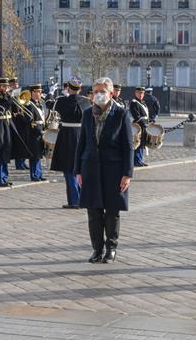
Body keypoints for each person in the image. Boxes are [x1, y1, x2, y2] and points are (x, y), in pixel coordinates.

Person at [75, 77, 134, 263]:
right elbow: (81, 143)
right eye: (95, 91)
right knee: (93, 211)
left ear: (110, 93)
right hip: (90, 168)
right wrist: (78, 170)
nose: (98, 95)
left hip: (113, 169)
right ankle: (96, 249)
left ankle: (111, 248)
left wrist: (127, 173)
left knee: (112, 211)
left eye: (102, 91)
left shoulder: (121, 114)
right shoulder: (87, 114)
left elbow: (128, 145)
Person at [50, 78, 89, 208]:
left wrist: (52, 92)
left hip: (66, 135)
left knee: (68, 168)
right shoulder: (86, 101)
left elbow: (50, 104)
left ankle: (74, 200)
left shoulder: (62, 101)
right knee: (81, 168)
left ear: (68, 88)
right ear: (80, 89)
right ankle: (83, 198)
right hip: (82, 134)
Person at [25, 84, 46, 181]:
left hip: (41, 129)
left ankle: (39, 173)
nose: (40, 93)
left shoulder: (40, 103)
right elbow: (29, 120)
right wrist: (38, 130)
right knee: (34, 155)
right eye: (38, 92)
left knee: (39, 154)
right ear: (33, 92)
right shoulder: (29, 105)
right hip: (34, 132)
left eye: (40, 91)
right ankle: (34, 175)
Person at [129, 87, 150, 167]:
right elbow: (136, 116)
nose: (141, 95)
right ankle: (136, 161)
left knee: (142, 143)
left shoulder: (143, 102)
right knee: (138, 143)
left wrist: (149, 121)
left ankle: (140, 160)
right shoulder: (134, 103)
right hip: (139, 125)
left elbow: (146, 115)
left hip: (144, 125)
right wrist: (144, 123)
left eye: (142, 93)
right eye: (139, 93)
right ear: (136, 93)